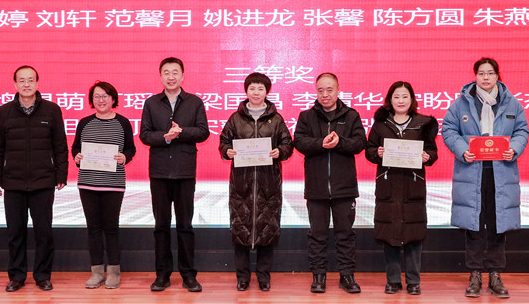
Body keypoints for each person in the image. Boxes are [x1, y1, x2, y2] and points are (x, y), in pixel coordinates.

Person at [441, 57, 529, 299]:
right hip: (472, 172)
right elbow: (448, 129)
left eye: (490, 73)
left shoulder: (512, 103)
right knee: (475, 225)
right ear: (475, 76)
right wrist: (462, 150)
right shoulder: (461, 103)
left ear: (497, 76)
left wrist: (514, 148)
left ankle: (495, 275)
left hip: (501, 173)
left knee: (498, 224)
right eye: (481, 73)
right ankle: (475, 274)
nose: (486, 77)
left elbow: (522, 130)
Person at [0, 65, 68, 292]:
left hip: (43, 181)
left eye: (30, 80)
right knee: (15, 232)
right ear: (15, 84)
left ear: (37, 83)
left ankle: (42, 276)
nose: (26, 84)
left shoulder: (52, 110)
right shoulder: (4, 111)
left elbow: (60, 146)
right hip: (13, 181)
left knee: (44, 232)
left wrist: (61, 174)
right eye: (22, 80)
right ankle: (16, 276)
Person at [139, 57, 210, 292]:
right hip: (159, 172)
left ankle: (188, 275)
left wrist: (180, 133)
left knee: (185, 225)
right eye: (166, 73)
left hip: (184, 172)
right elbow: (144, 135)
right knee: (161, 225)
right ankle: (162, 274)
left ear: (183, 76)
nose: (171, 77)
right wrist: (165, 137)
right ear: (160, 76)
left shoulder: (194, 102)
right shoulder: (151, 103)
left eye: (175, 72)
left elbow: (203, 132)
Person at [218, 72, 294, 292]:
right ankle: (242, 277)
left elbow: (288, 144)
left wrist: (280, 151)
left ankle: (263, 277)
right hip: (241, 184)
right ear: (246, 91)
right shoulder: (235, 118)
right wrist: (227, 151)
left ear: (267, 92)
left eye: (261, 88)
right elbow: (223, 142)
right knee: (240, 231)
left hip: (268, 184)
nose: (256, 92)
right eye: (252, 88)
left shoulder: (276, 119)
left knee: (267, 231)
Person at [293, 72, 366, 294]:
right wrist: (320, 144)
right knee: (317, 235)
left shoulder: (351, 115)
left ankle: (347, 276)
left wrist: (339, 142)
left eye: (329, 89)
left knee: (346, 234)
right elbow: (299, 142)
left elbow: (360, 143)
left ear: (338, 90)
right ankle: (318, 276)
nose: (325, 94)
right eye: (320, 90)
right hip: (316, 188)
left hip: (345, 188)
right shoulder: (306, 116)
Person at [365, 81, 439, 296]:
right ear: (390, 99)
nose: (400, 100)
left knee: (414, 234)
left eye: (405, 96)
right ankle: (393, 280)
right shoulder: (380, 124)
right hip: (388, 185)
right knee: (389, 234)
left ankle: (414, 281)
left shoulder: (424, 123)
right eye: (396, 96)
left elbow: (433, 152)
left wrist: (427, 156)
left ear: (412, 100)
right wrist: (377, 153)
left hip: (412, 186)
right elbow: (369, 150)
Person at [70, 81, 137, 290]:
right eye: (97, 96)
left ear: (113, 99)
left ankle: (114, 272)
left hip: (113, 184)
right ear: (92, 100)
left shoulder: (123, 122)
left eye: (105, 96)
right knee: (93, 229)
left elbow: (131, 149)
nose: (101, 100)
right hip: (88, 184)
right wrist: (77, 157)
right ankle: (97, 273)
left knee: (111, 228)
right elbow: (75, 148)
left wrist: (124, 157)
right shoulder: (84, 123)